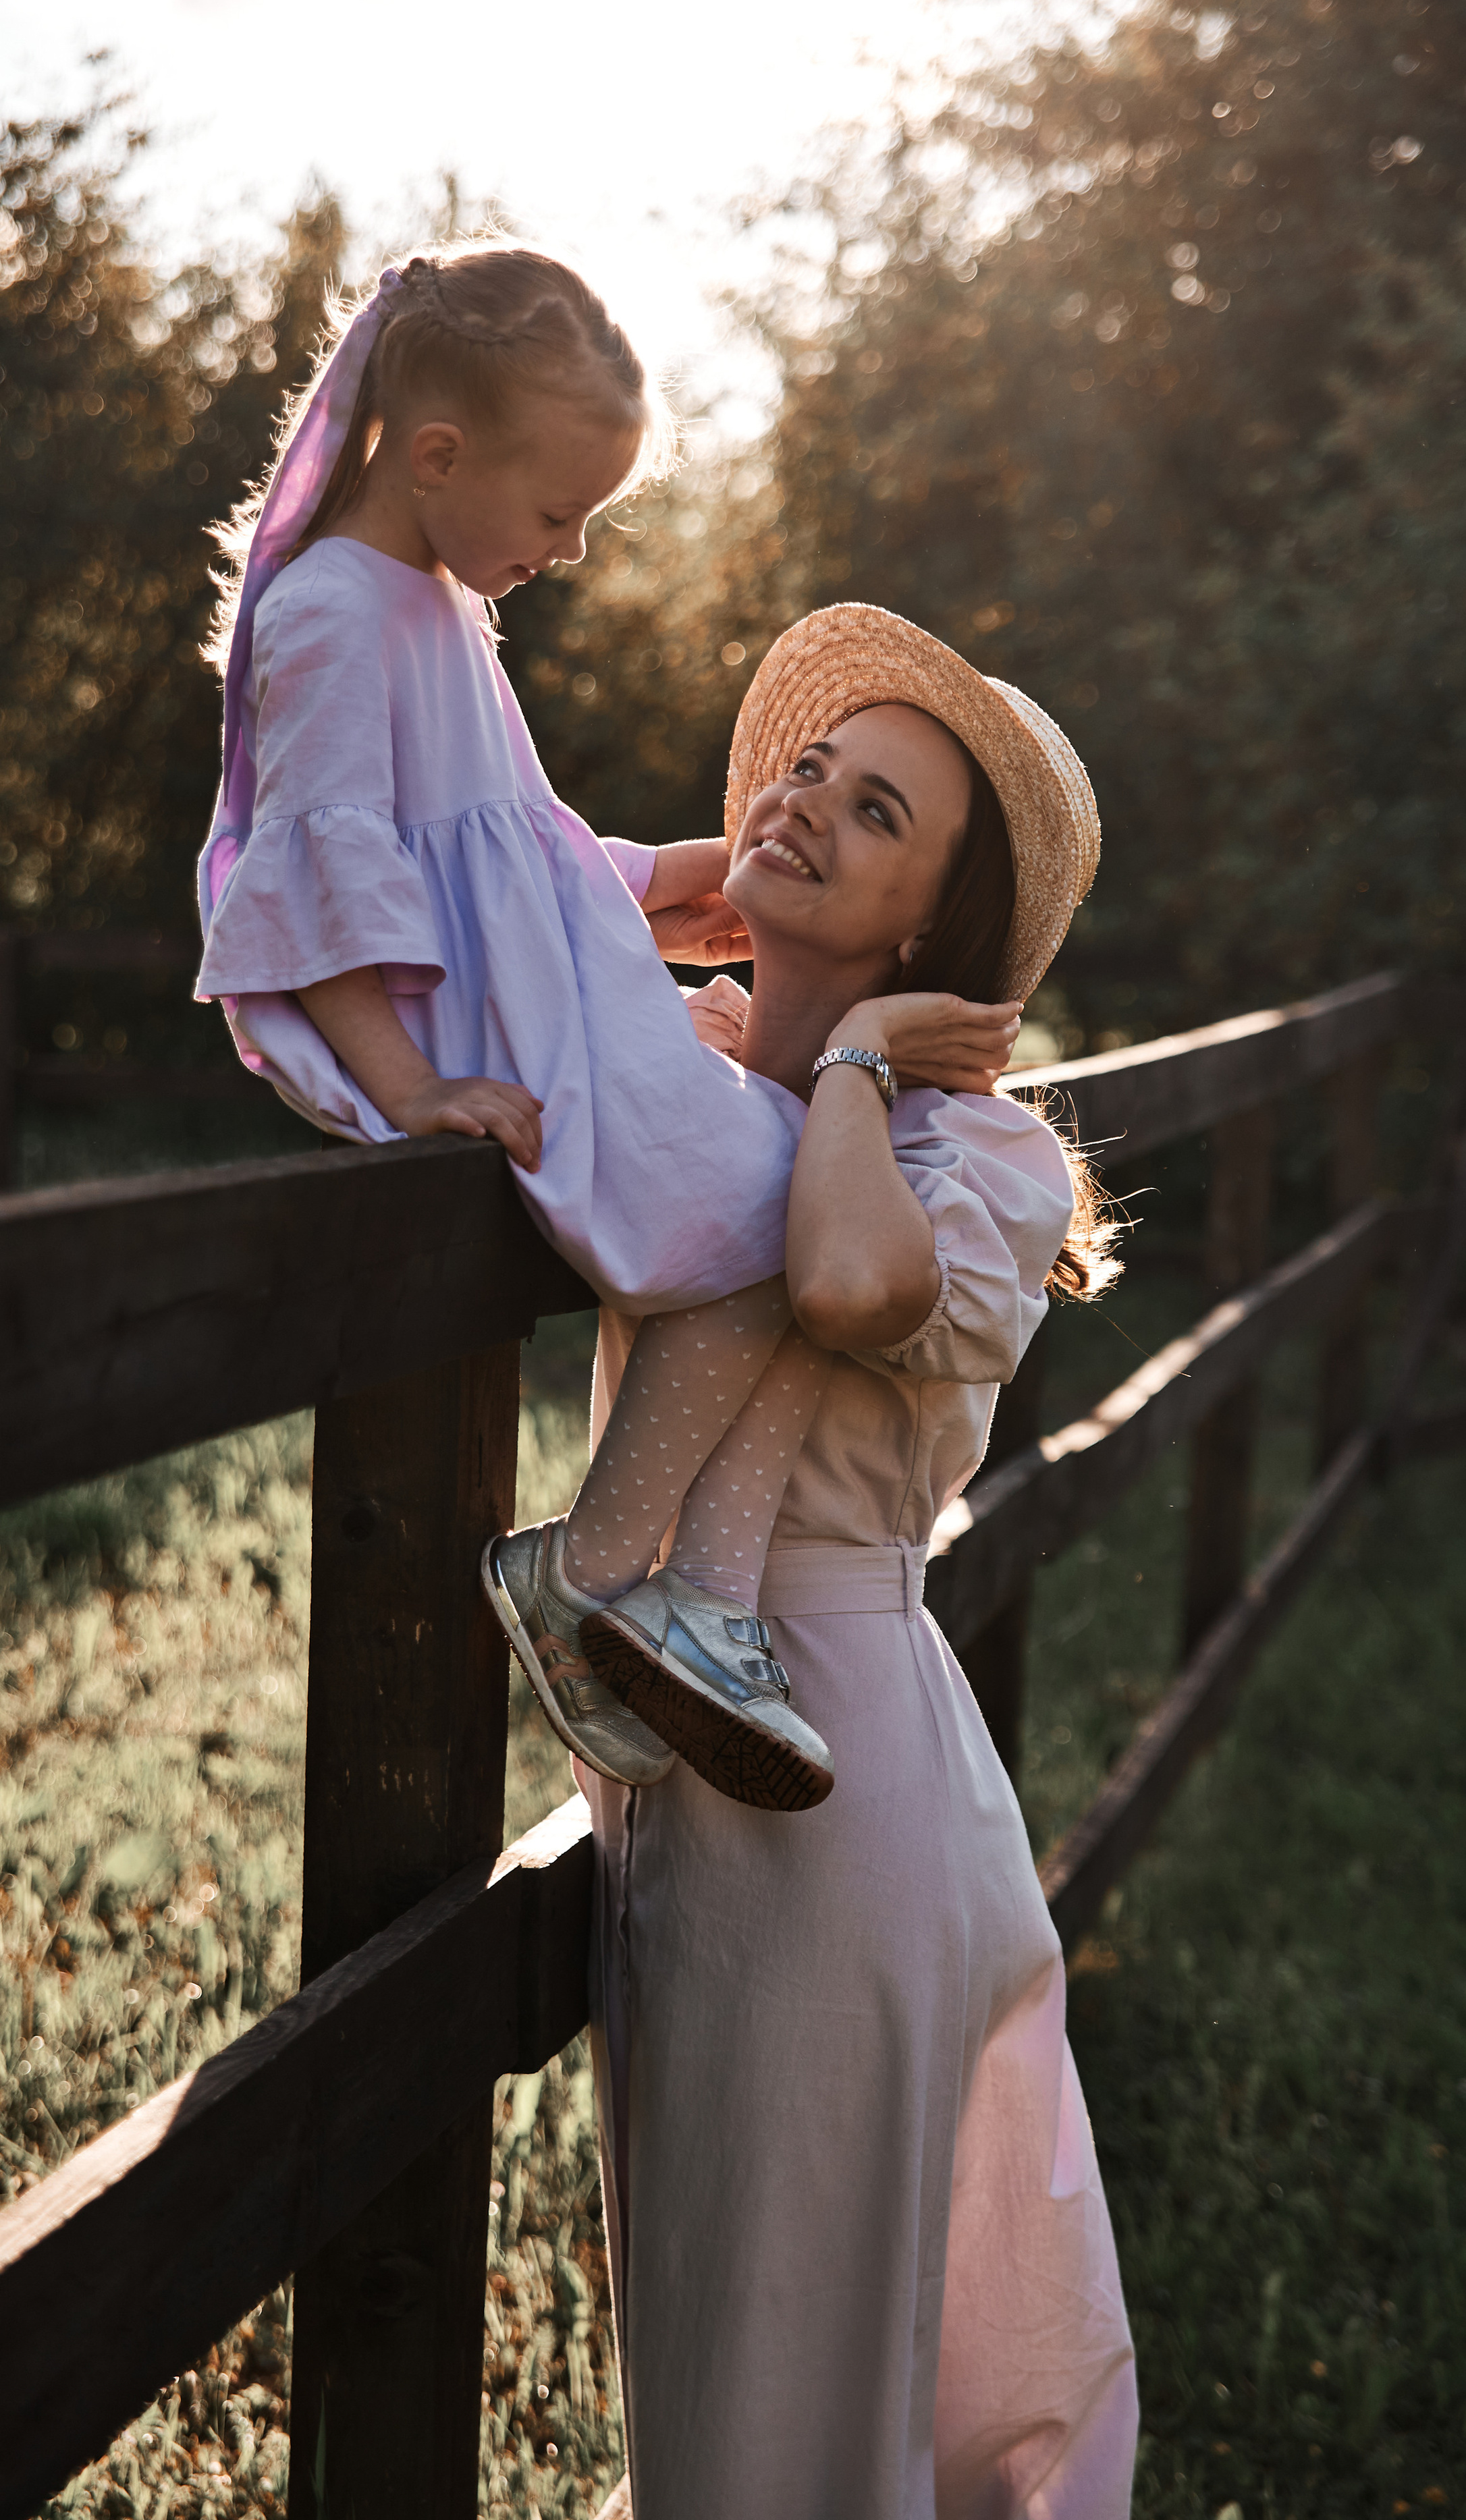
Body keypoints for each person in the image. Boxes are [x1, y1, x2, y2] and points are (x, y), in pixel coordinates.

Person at [192, 242, 1010, 1812]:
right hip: (478, 1045)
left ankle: (696, 1605)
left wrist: (660, 884)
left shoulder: (429, 597)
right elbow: (333, 878)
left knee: (787, 1170)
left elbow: (511, 842)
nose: (567, 550)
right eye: (560, 513)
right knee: (768, 1190)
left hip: (547, 1008)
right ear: (437, 457)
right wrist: (415, 1087)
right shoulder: (333, 617)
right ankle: (605, 1570)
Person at [578, 603, 1139, 2520]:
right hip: (694, 1769)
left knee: (785, 2403)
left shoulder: (977, 1160)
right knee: (728, 2350)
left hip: (833, 1808)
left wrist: (859, 1070)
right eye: (810, 767)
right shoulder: (695, 1055)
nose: (804, 799)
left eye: (871, 805)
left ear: (926, 933)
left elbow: (834, 1274)